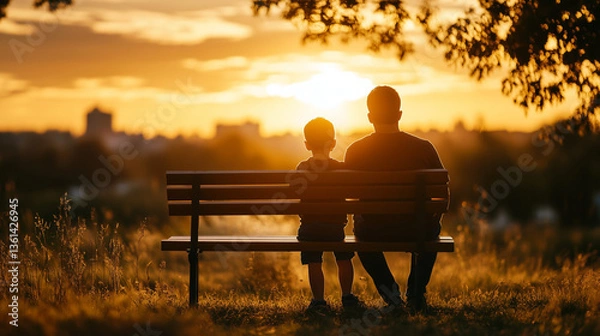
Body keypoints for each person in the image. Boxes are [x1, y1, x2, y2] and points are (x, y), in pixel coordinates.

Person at [344, 85, 447, 312]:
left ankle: (392, 296)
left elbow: (348, 197)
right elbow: (443, 196)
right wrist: (429, 219)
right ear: (399, 115)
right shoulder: (424, 148)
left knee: (360, 234)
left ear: (370, 117)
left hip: (373, 230)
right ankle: (416, 293)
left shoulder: (355, 150)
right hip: (417, 229)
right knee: (432, 229)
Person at [296, 117, 362, 313]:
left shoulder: (302, 168)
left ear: (307, 145)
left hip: (309, 228)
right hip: (335, 228)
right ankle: (347, 296)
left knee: (314, 263)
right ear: (332, 144)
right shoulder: (341, 170)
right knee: (344, 259)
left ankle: (318, 301)